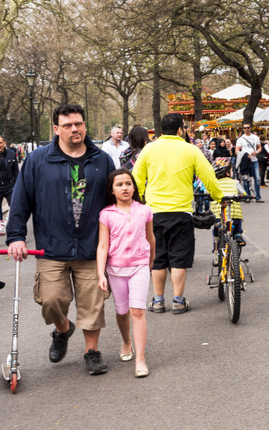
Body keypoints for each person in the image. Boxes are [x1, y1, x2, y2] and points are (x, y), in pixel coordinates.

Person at [6, 103, 115, 374]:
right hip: (52, 246)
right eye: (67, 125)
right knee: (51, 300)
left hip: (91, 246)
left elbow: (114, 201)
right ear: (56, 129)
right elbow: (21, 200)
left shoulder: (101, 160)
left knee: (92, 303)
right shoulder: (38, 160)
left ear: (85, 126)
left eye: (78, 123)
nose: (74, 129)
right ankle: (63, 329)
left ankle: (92, 352)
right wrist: (16, 236)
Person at [132, 113, 224, 315]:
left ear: (161, 130)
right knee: (178, 259)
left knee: (158, 259)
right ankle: (178, 301)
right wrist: (219, 196)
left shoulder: (148, 149)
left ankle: (157, 301)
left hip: (154, 213)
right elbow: (208, 175)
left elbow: (136, 178)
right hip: (181, 213)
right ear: (181, 130)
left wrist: (139, 202)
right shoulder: (190, 150)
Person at [96, 169, 155, 378]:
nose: (124, 188)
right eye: (119, 184)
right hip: (115, 269)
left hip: (139, 266)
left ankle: (140, 359)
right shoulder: (106, 214)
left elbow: (150, 239)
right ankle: (126, 341)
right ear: (112, 190)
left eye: (128, 184)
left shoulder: (144, 210)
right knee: (122, 312)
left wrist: (150, 263)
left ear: (134, 187)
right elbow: (103, 245)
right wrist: (101, 274)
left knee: (137, 311)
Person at [210, 158, 246, 242]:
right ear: (227, 173)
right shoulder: (235, 182)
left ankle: (217, 249)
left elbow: (206, 193)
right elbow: (244, 194)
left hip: (218, 215)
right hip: (234, 214)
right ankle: (238, 235)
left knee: (217, 231)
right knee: (237, 224)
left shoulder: (213, 183)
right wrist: (245, 196)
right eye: (231, 170)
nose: (232, 172)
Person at [235, 123, 263, 202]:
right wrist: (244, 155)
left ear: (250, 128)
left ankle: (258, 197)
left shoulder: (255, 137)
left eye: (248, 127)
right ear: (242, 129)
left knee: (257, 179)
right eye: (245, 128)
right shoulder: (240, 139)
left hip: (254, 160)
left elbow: (260, 147)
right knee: (246, 179)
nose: (246, 129)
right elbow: (237, 151)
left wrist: (256, 152)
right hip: (246, 161)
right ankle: (247, 197)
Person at [0, 134, 19, 235]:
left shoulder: (11, 154)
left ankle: (14, 226)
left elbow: (16, 172)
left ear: (4, 143)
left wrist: (17, 185)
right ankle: (0, 224)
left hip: (9, 185)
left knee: (15, 206)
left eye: (0, 142)